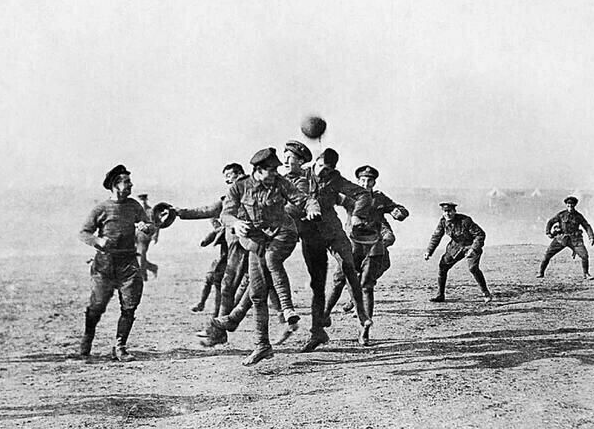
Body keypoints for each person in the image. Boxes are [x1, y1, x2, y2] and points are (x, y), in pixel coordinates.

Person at [221, 147, 321, 365]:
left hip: (283, 233)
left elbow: (303, 199)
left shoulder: (280, 183)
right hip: (257, 241)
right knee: (257, 293)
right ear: (258, 170)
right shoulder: (240, 187)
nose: (275, 173)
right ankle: (262, 345)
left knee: (271, 260)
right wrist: (236, 223)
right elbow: (225, 214)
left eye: (277, 169)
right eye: (271, 170)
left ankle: (287, 309)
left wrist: (313, 208)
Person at [298, 148, 373, 352]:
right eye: (321, 167)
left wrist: (357, 214)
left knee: (349, 268)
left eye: (328, 169)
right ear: (316, 162)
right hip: (310, 234)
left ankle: (363, 316)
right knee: (317, 283)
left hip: (333, 230)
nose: (323, 172)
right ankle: (317, 332)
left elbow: (363, 194)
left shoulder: (335, 179)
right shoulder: (301, 174)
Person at [79, 165, 155, 361]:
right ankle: (87, 338)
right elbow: (84, 233)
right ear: (115, 185)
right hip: (104, 265)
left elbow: (150, 227)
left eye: (130, 182)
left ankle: (120, 347)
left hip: (128, 263)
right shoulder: (101, 209)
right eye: (126, 182)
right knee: (97, 306)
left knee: (130, 305)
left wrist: (146, 227)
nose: (131, 185)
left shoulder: (134, 206)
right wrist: (98, 241)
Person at [326, 165, 409, 345]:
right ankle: (324, 315)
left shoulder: (379, 198)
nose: (366, 183)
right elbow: (328, 200)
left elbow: (399, 209)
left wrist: (399, 213)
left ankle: (365, 331)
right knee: (338, 280)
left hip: (372, 248)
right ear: (357, 182)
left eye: (369, 181)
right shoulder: (349, 197)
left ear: (374, 182)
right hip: (352, 246)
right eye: (362, 180)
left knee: (366, 286)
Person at [175, 163, 246, 315]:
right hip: (233, 247)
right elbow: (207, 210)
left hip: (243, 245)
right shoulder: (232, 195)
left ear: (238, 173)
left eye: (229, 176)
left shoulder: (249, 190)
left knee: (232, 283)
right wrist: (180, 212)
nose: (227, 181)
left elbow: (208, 210)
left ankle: (219, 321)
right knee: (224, 281)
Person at [424, 202, 492, 303]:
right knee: (443, 266)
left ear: (454, 211)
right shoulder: (443, 222)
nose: (447, 214)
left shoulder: (465, 220)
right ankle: (440, 295)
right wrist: (429, 251)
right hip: (456, 246)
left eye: (450, 211)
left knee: (473, 268)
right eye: (445, 212)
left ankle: (486, 293)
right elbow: (436, 236)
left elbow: (480, 234)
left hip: (470, 244)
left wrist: (473, 249)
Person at [537, 196, 594, 279]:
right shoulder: (561, 215)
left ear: (574, 205)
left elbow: (587, 226)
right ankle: (541, 272)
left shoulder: (578, 216)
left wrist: (591, 237)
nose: (570, 206)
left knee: (584, 256)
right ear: (566, 205)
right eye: (568, 204)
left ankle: (586, 274)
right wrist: (548, 232)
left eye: (572, 204)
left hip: (575, 240)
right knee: (547, 255)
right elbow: (550, 222)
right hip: (561, 238)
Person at [136, 194, 159, 281]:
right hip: (134, 237)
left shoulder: (151, 211)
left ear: (146, 200)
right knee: (136, 256)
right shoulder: (135, 211)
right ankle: (152, 268)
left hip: (145, 237)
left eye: (143, 200)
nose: (142, 202)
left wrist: (154, 237)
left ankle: (142, 277)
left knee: (141, 255)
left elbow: (156, 225)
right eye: (140, 201)